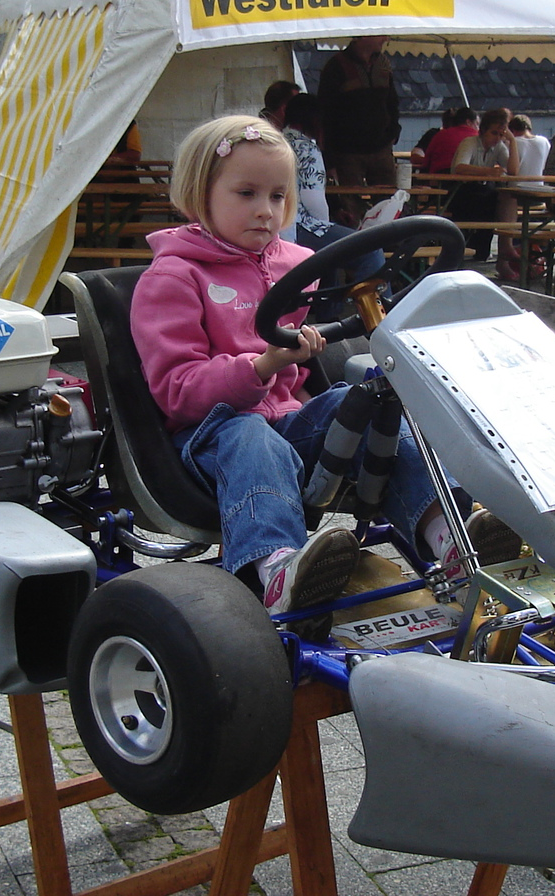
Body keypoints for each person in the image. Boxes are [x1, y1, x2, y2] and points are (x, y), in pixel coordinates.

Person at [129, 115, 518, 628]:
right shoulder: (173, 277)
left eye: (277, 196)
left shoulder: (294, 264)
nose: (266, 211)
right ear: (201, 194)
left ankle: (448, 534)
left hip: (286, 424)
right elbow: (177, 392)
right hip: (209, 437)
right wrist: (262, 366)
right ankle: (277, 568)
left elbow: (306, 380)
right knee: (251, 434)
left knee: (369, 399)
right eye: (246, 194)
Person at [281, 94, 385, 305]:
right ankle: (376, 313)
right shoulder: (307, 148)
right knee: (370, 250)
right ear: (315, 119)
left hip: (281, 224)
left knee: (329, 257)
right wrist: (328, 226)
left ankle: (329, 312)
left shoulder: (279, 140)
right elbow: (314, 201)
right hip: (300, 225)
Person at [318, 35, 400, 185]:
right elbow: (326, 113)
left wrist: (393, 131)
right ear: (363, 35)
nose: (386, 39)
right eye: (380, 34)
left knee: (389, 197)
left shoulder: (383, 63)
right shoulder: (336, 66)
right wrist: (330, 159)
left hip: (381, 147)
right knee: (351, 197)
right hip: (348, 152)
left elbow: (392, 102)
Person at [450, 109, 515, 263]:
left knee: (503, 199)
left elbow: (513, 171)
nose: (497, 138)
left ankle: (496, 249)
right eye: (494, 133)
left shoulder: (499, 146)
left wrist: (513, 142)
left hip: (483, 192)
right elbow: (460, 167)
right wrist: (488, 171)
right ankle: (497, 250)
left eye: (501, 134)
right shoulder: (470, 142)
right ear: (484, 130)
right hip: (461, 190)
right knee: (489, 201)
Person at [499, 114, 553, 278]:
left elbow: (508, 169)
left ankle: (504, 254)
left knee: (502, 203)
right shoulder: (544, 141)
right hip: (539, 194)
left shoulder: (513, 143)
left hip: (517, 195)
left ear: (512, 130)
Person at [422, 107, 478, 174]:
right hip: (467, 176)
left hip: (439, 176)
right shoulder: (477, 137)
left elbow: (426, 163)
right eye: (477, 124)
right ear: (468, 122)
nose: (478, 127)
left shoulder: (440, 135)